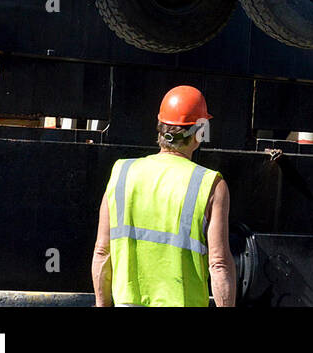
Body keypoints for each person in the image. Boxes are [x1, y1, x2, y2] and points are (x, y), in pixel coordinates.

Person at [91, 85, 235, 306]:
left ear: (160, 128)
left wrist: (102, 304)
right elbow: (219, 264)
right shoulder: (210, 184)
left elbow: (102, 252)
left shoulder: (122, 172)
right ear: (199, 132)